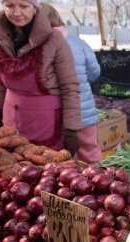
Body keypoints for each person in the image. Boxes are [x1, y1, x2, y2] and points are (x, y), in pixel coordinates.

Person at [0, 0, 81, 155]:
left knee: (46, 170)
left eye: (24, 6)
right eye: (10, 6)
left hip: (45, 120)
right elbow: (0, 80)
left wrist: (72, 130)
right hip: (11, 118)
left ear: (35, 9)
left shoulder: (54, 39)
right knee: (13, 166)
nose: (16, 12)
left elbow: (70, 87)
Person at [39, 3, 102, 163]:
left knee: (57, 161)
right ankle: (101, 184)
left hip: (52, 115)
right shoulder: (79, 43)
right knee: (90, 154)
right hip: (83, 112)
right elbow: (94, 72)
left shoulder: (37, 46)